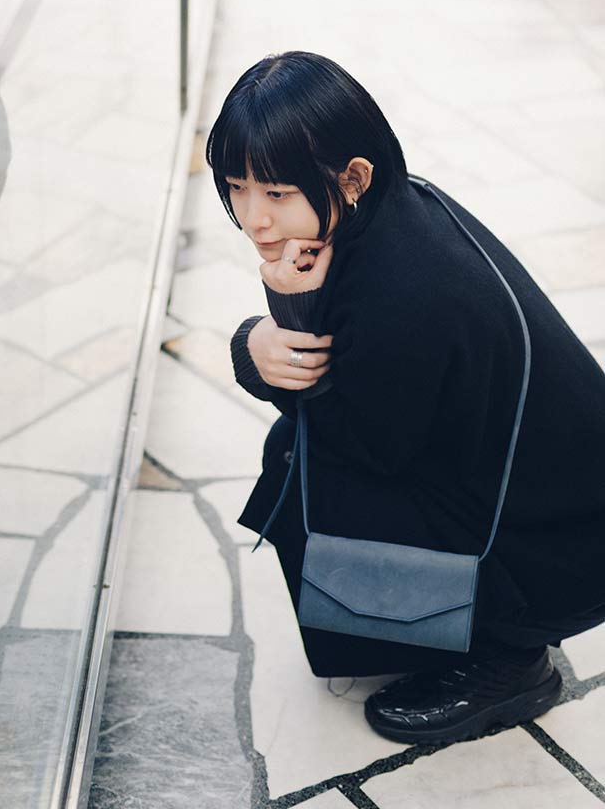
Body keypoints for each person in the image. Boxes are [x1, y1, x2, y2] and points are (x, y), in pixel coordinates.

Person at [206, 50, 605, 745]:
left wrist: (260, 344)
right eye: (238, 188)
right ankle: (469, 624)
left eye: (277, 193)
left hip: (562, 550)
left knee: (306, 467)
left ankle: (509, 657)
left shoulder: (404, 290)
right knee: (302, 453)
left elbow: (358, 446)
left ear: (353, 177)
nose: (255, 220)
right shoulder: (389, 213)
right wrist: (285, 317)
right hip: (558, 506)